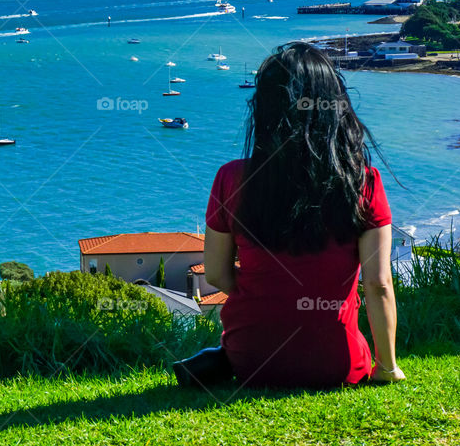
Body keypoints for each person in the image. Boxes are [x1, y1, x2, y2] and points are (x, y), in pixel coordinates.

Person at [173, 42, 405, 389]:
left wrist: (264, 287)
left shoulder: (230, 179)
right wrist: (387, 367)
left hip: (251, 362)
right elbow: (378, 284)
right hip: (338, 365)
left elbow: (219, 275)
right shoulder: (364, 182)